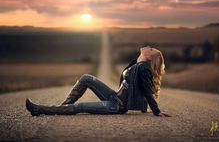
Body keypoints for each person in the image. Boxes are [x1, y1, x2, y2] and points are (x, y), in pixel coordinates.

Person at [26, 45, 170, 117]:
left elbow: (146, 89)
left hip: (116, 106)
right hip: (114, 97)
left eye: (151, 49)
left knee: (80, 107)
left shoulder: (143, 68)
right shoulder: (137, 65)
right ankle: (63, 107)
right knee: (86, 78)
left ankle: (39, 109)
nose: (149, 47)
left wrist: (156, 111)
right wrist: (138, 59)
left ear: (150, 57)